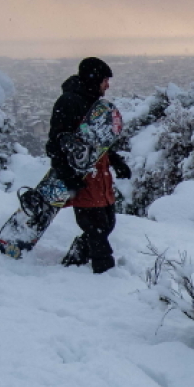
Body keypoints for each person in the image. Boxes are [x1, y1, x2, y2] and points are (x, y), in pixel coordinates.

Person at [47, 57, 131, 273]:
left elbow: (98, 142)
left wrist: (116, 161)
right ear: (93, 79)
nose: (107, 85)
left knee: (108, 223)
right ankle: (105, 272)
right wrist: (67, 176)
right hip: (83, 176)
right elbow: (55, 144)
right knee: (95, 228)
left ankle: (76, 258)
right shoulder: (69, 102)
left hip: (100, 175)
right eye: (105, 80)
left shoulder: (94, 104)